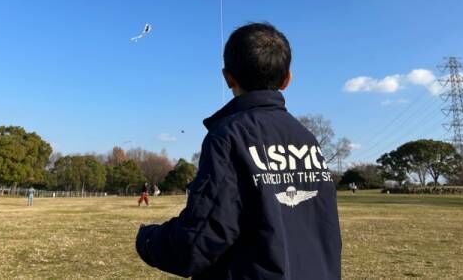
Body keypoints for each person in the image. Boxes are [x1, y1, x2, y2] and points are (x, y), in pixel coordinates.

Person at [135, 23, 341, 279]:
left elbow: (199, 240)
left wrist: (147, 240)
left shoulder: (227, 137)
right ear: (287, 79)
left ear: (227, 77)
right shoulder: (307, 139)